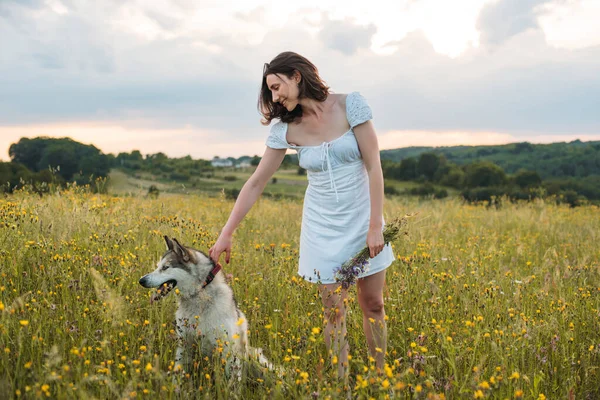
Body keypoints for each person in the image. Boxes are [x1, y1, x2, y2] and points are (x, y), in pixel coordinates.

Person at [209, 51, 395, 379]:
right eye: (270, 91)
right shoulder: (285, 128)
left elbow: (374, 165)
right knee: (334, 312)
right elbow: (255, 183)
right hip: (321, 228)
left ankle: (380, 378)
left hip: (363, 219)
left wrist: (375, 224)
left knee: (373, 305)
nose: (274, 96)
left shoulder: (350, 105)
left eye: (277, 87)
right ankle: (342, 385)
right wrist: (227, 232)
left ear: (296, 76)